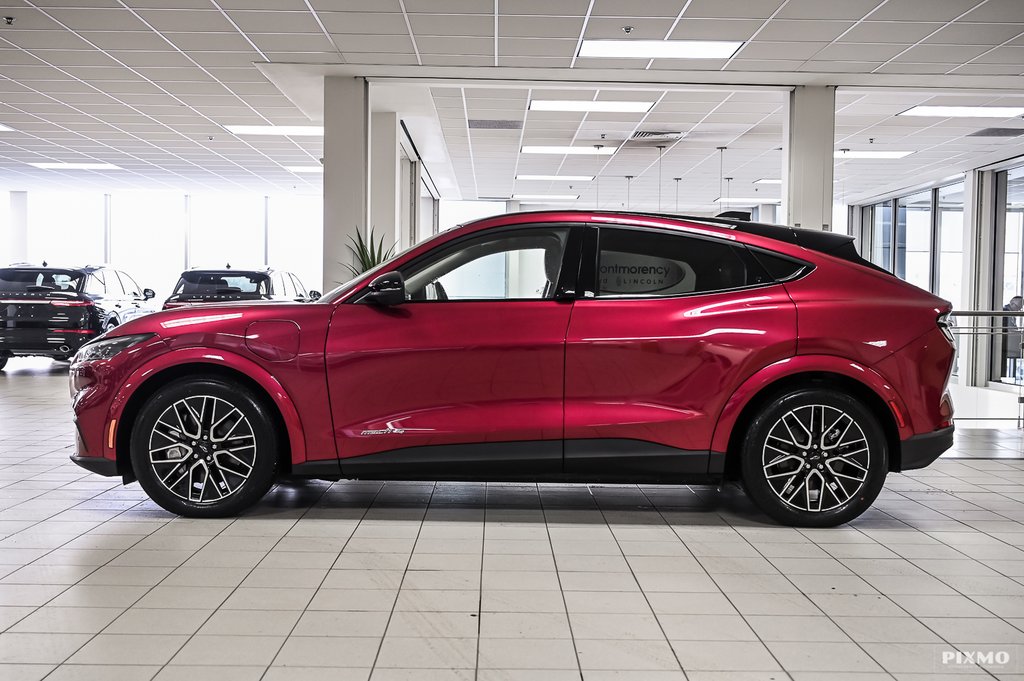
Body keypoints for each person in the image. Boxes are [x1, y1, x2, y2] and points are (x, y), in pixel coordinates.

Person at [1004, 296, 1023, 381]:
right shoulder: (1005, 312)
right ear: (1011, 303)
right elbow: (1011, 329)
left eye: (1020, 309)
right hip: (1005, 343)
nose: (1018, 311)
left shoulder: (1010, 314)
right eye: (1017, 307)